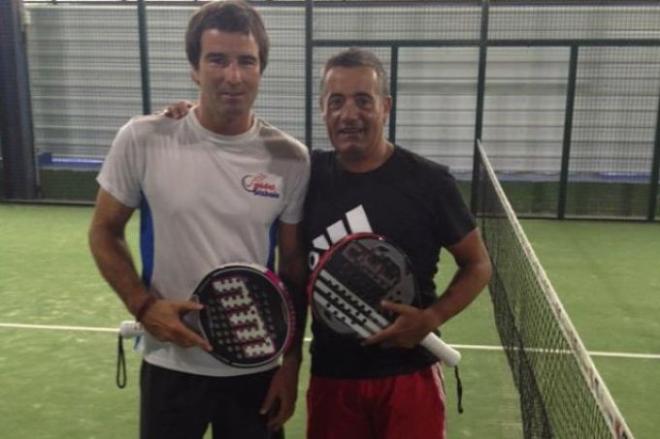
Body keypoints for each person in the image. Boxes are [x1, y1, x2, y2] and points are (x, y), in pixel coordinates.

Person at [88, 2, 309, 439]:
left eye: (246, 61)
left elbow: (293, 269)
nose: (233, 75)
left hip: (256, 367)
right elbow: (104, 231)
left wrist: (291, 363)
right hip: (170, 363)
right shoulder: (143, 138)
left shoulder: (290, 159)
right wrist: (144, 306)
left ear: (261, 69)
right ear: (194, 68)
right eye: (217, 59)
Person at [302, 48, 492, 439]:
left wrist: (432, 318)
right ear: (322, 108)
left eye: (362, 100)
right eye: (335, 102)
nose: (348, 114)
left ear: (385, 107)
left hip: (409, 376)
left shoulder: (430, 183)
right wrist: (187, 116)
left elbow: (478, 265)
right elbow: (243, 143)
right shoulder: (305, 175)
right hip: (332, 378)